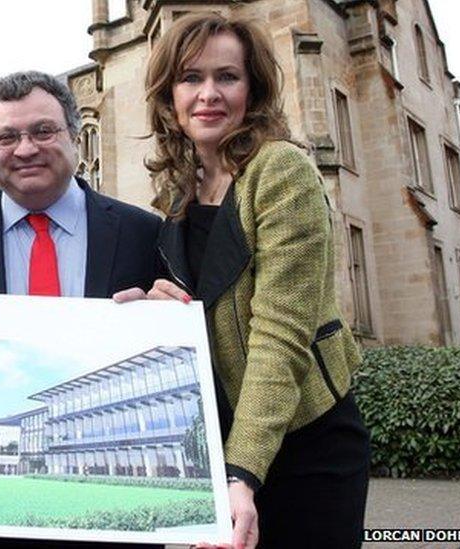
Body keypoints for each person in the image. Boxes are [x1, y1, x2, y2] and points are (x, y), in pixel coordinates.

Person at [120, 12, 370, 549]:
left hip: (307, 444)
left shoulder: (281, 171)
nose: (208, 93)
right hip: (229, 441)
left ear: (251, 89)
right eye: (190, 78)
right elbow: (208, 310)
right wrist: (163, 311)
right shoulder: (179, 192)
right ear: (169, 97)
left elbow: (280, 333)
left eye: (226, 77)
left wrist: (243, 474)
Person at [0, 70, 162, 549]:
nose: (25, 148)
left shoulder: (143, 234)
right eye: (7, 136)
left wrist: (168, 315)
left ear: (75, 137)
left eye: (43, 131)